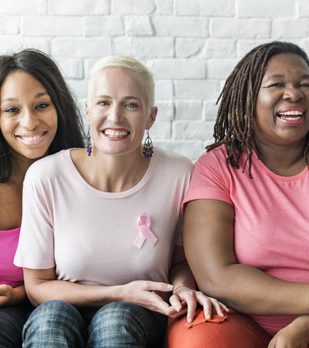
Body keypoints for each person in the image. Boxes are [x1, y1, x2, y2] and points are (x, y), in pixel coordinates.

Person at [167, 41, 309, 347]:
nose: (294, 94)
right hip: (237, 317)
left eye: (305, 84)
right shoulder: (216, 167)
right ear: (248, 98)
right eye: (276, 84)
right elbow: (215, 276)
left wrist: (307, 325)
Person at [14, 55, 227, 347]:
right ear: (87, 111)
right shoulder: (46, 176)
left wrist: (182, 287)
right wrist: (119, 292)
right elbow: (37, 286)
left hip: (140, 316)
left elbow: (181, 261)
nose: (115, 117)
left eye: (130, 104)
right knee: (52, 317)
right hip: (60, 310)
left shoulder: (179, 173)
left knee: (115, 319)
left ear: (151, 116)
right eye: (103, 102)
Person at [0, 49, 84, 347]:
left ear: (59, 107)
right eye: (12, 110)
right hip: (6, 312)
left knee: (53, 319)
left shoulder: (85, 174)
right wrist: (15, 296)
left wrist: (23, 293)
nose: (30, 122)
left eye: (41, 105)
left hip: (69, 308)